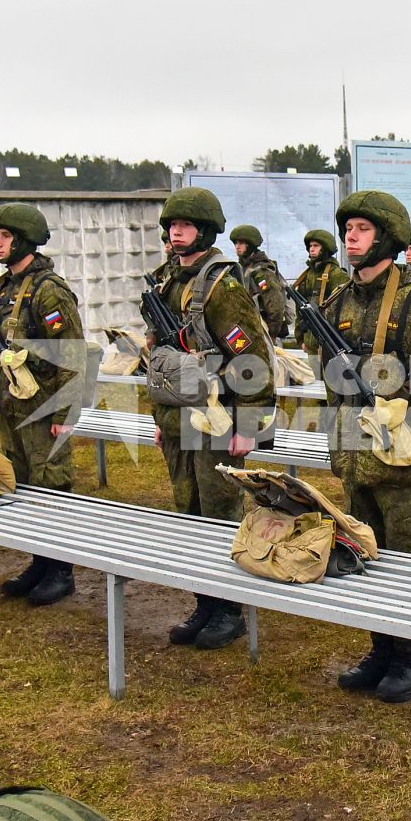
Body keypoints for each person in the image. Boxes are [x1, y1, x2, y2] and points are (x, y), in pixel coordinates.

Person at [322, 193, 411, 702]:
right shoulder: (340, 300)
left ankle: (410, 657)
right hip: (359, 458)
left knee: (408, 559)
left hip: (406, 461)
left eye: (363, 228)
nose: (351, 237)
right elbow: (333, 383)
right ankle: (380, 647)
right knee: (365, 553)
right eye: (349, 229)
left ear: (386, 237)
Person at [147, 188, 277, 649]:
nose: (174, 232)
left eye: (184, 225)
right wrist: (161, 418)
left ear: (204, 230)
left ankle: (230, 610)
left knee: (220, 514)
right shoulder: (169, 282)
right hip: (179, 418)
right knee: (188, 513)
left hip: (218, 421)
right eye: (171, 225)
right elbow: (160, 358)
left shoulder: (222, 287)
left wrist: (249, 427)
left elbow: (253, 357)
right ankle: (205, 602)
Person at [0, 204, 87, 605]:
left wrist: (65, 414)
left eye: (5, 236)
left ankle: (60, 570)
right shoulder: (7, 289)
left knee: (51, 486)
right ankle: (39, 562)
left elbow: (72, 354)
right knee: (23, 485)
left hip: (43, 408)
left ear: (24, 239)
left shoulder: (48, 290)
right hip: (14, 406)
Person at [229, 224, 290, 344]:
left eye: (241, 243)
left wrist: (272, 333)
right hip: (250, 329)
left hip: (265, 331)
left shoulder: (262, 271)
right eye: (236, 243)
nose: (237, 247)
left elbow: (275, 305)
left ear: (251, 244)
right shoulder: (240, 269)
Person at [293, 229, 349, 354]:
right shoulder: (307, 275)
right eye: (310, 246)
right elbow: (300, 309)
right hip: (310, 343)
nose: (311, 249)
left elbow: (345, 311)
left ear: (325, 248)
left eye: (316, 246)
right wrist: (301, 338)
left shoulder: (336, 274)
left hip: (330, 344)